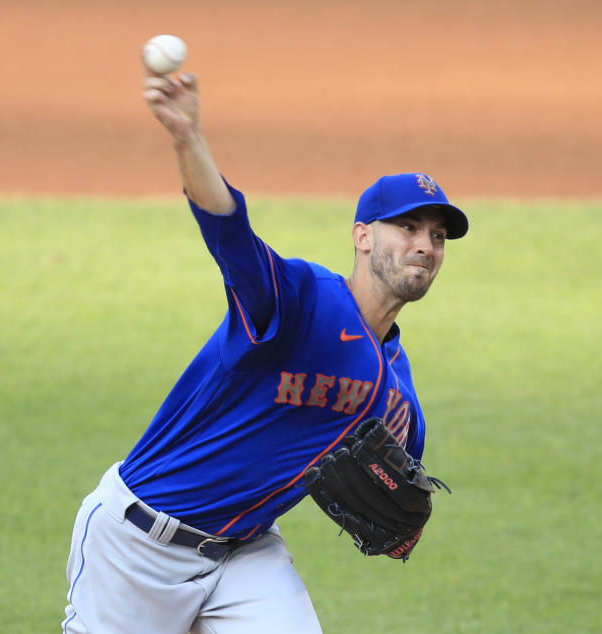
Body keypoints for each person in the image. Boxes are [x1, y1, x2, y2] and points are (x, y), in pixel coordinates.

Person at [61, 66, 469, 634]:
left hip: (245, 555)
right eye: (409, 227)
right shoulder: (297, 299)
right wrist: (188, 138)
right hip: (138, 543)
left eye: (438, 238)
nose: (425, 246)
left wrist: (406, 520)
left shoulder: (399, 395)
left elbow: (405, 498)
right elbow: (229, 230)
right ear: (363, 234)